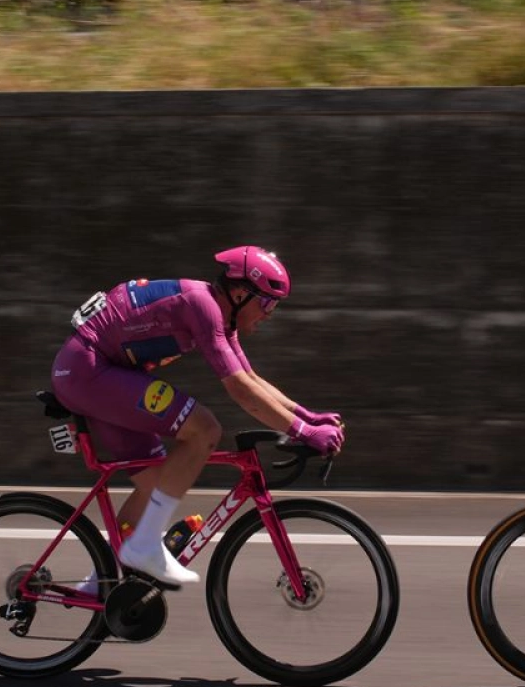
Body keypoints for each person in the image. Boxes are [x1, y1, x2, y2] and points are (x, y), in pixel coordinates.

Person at [52, 246, 345, 589]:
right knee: (204, 428)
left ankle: (102, 587)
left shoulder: (219, 314)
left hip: (99, 369)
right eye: (266, 303)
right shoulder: (202, 306)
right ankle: (145, 547)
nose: (269, 313)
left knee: (155, 480)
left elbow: (251, 379)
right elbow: (240, 390)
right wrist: (303, 432)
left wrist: (306, 416)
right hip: (88, 370)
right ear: (239, 293)